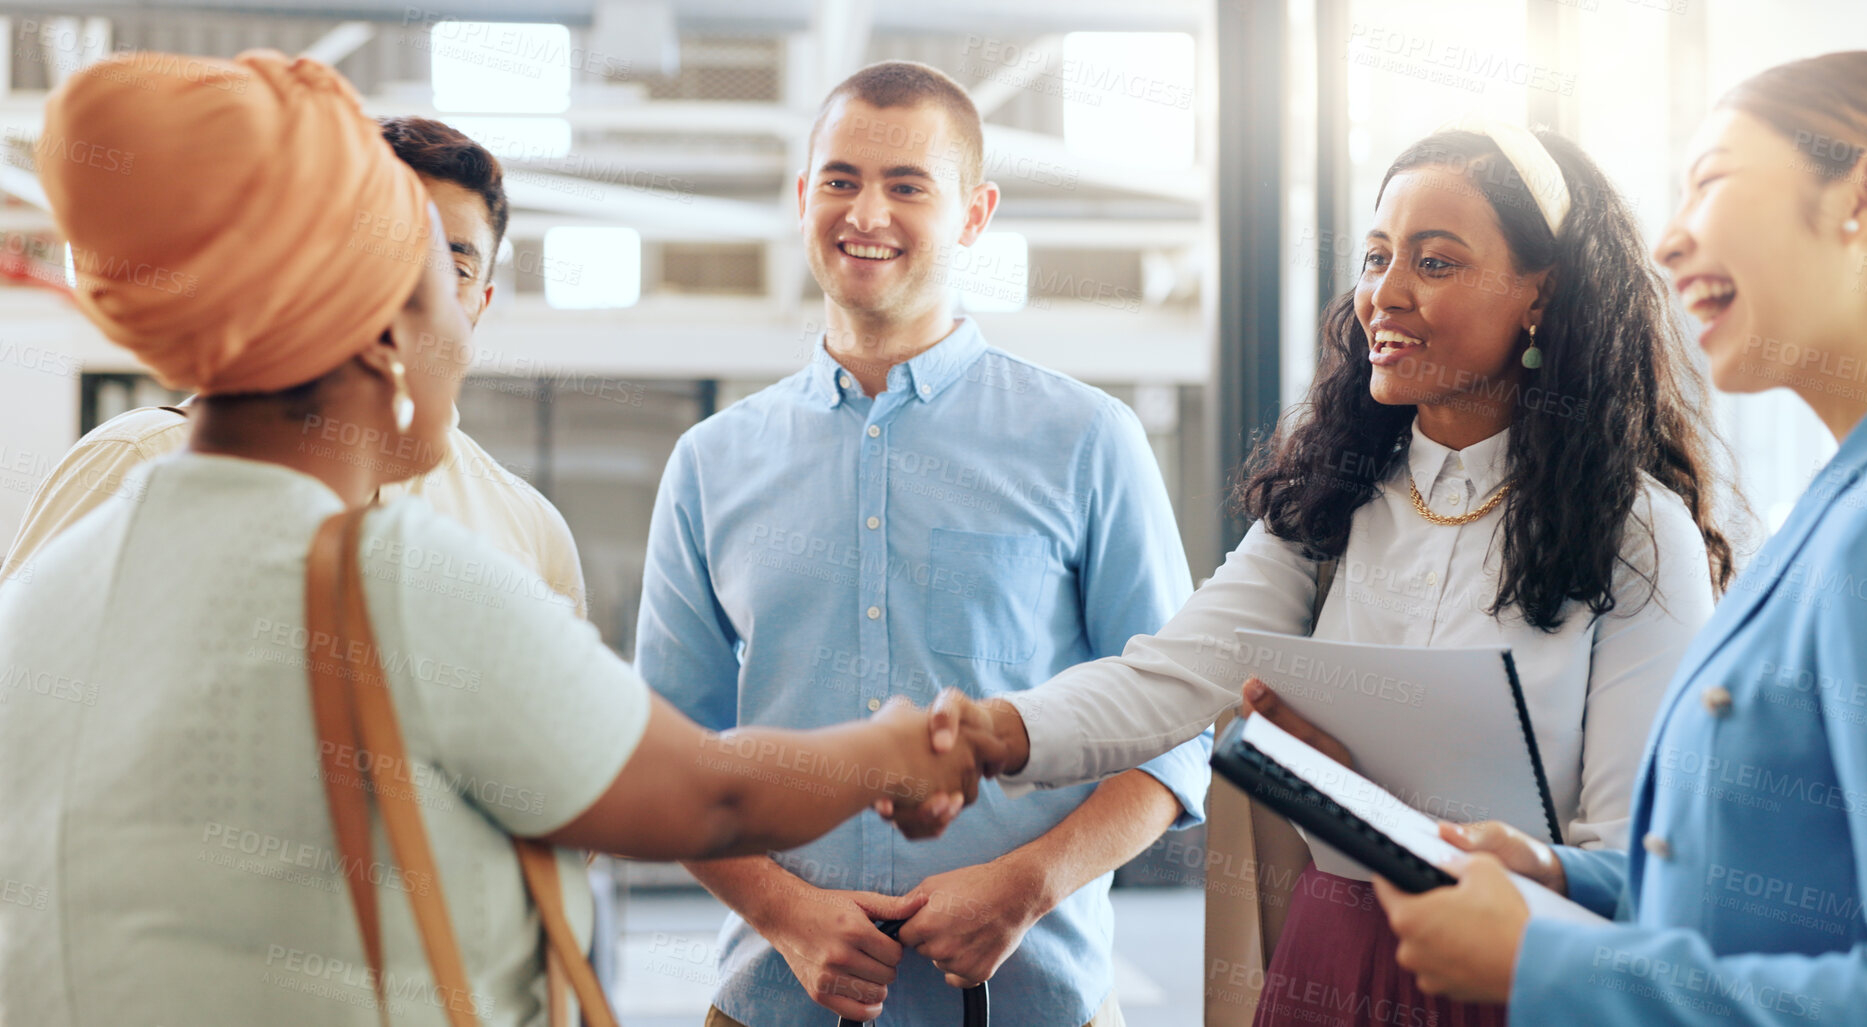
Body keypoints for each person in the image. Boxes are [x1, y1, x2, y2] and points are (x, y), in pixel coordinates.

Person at [0, 49, 977, 1027]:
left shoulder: (48, 592)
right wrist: (891, 749)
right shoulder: (390, 578)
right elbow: (704, 796)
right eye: (436, 293)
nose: (464, 341)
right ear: (383, 334)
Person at [935, 122, 1746, 1026]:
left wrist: (1394, 813)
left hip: (1518, 974)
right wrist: (990, 734)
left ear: (1539, 297)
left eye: (1433, 264)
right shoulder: (1333, 499)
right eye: (1373, 256)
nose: (1383, 294)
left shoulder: (1638, 533)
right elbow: (1168, 677)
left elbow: (1636, 863)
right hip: (1332, 957)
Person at [1355, 50, 1867, 1027]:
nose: (1669, 244)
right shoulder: (1858, 494)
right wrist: (1566, 876)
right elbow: (1771, 897)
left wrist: (1545, 965)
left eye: (1711, 181)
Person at [635, 60, 1210, 1027]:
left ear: (974, 214)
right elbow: (662, 755)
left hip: (1034, 1004)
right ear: (802, 194)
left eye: (908, 186)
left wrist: (1025, 886)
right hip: (775, 1001)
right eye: (840, 179)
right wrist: (786, 915)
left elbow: (1176, 731)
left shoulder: (1086, 440)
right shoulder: (710, 462)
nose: (868, 212)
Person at [0, 115, 586, 619]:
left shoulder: (528, 529)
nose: (414, 289)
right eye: (388, 249)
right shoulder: (136, 463)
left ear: (479, 305)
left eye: (454, 269)